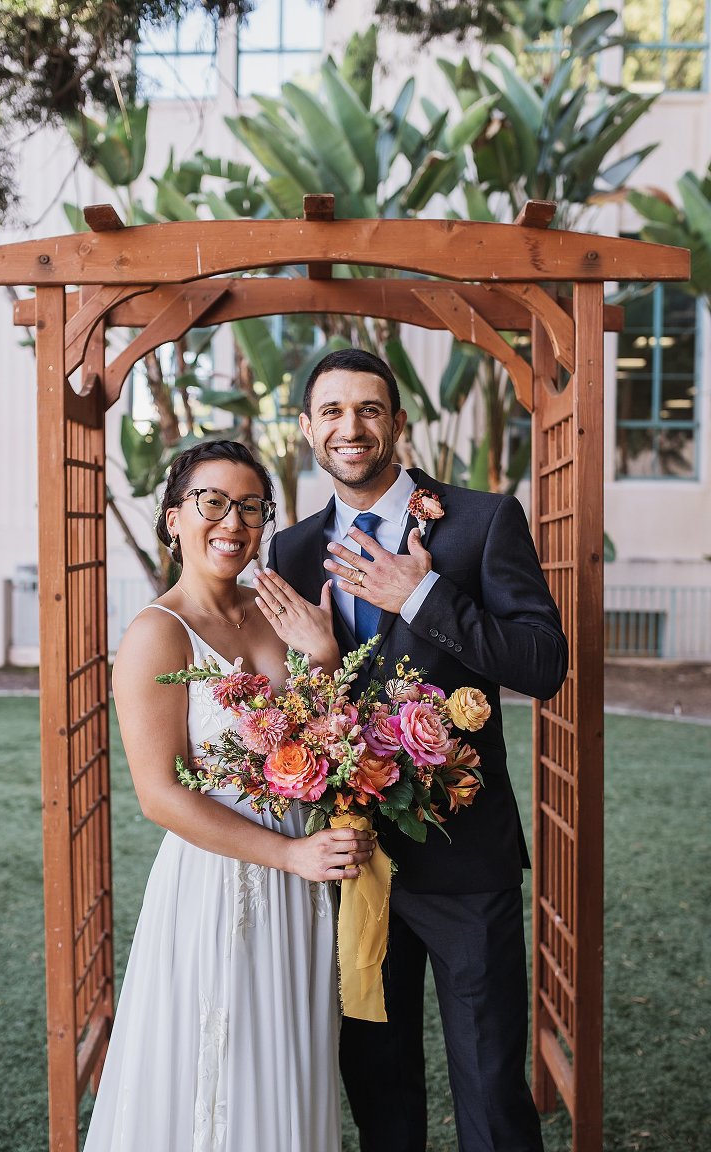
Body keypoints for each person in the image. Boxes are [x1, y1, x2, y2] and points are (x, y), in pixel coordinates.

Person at [266, 348, 569, 1152]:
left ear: (398, 423)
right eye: (330, 411)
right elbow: (290, 711)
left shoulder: (481, 521)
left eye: (369, 409)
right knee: (379, 1092)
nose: (349, 427)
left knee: (492, 1090)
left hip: (466, 860)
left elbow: (544, 666)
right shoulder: (290, 554)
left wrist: (422, 596)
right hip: (354, 861)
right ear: (305, 429)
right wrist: (318, 672)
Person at [83, 440, 374, 1152]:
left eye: (250, 507)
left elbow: (327, 739)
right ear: (174, 518)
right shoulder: (156, 635)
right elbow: (159, 795)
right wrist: (293, 853)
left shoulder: (279, 611)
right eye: (212, 502)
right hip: (218, 887)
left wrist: (327, 657)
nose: (233, 522)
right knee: (220, 1065)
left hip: (301, 893)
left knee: (292, 1064)